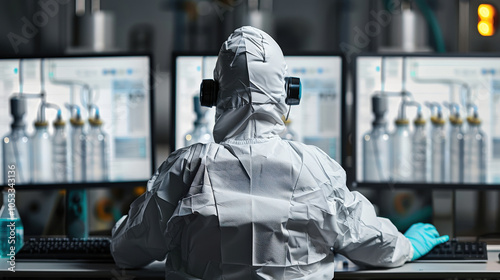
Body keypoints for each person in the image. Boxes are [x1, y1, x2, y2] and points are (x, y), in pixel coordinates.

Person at [111, 26, 449, 279]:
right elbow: (375, 245)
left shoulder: (186, 168)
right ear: (288, 93)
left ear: (212, 94)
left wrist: (127, 223)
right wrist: (407, 245)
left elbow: (127, 251)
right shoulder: (314, 169)